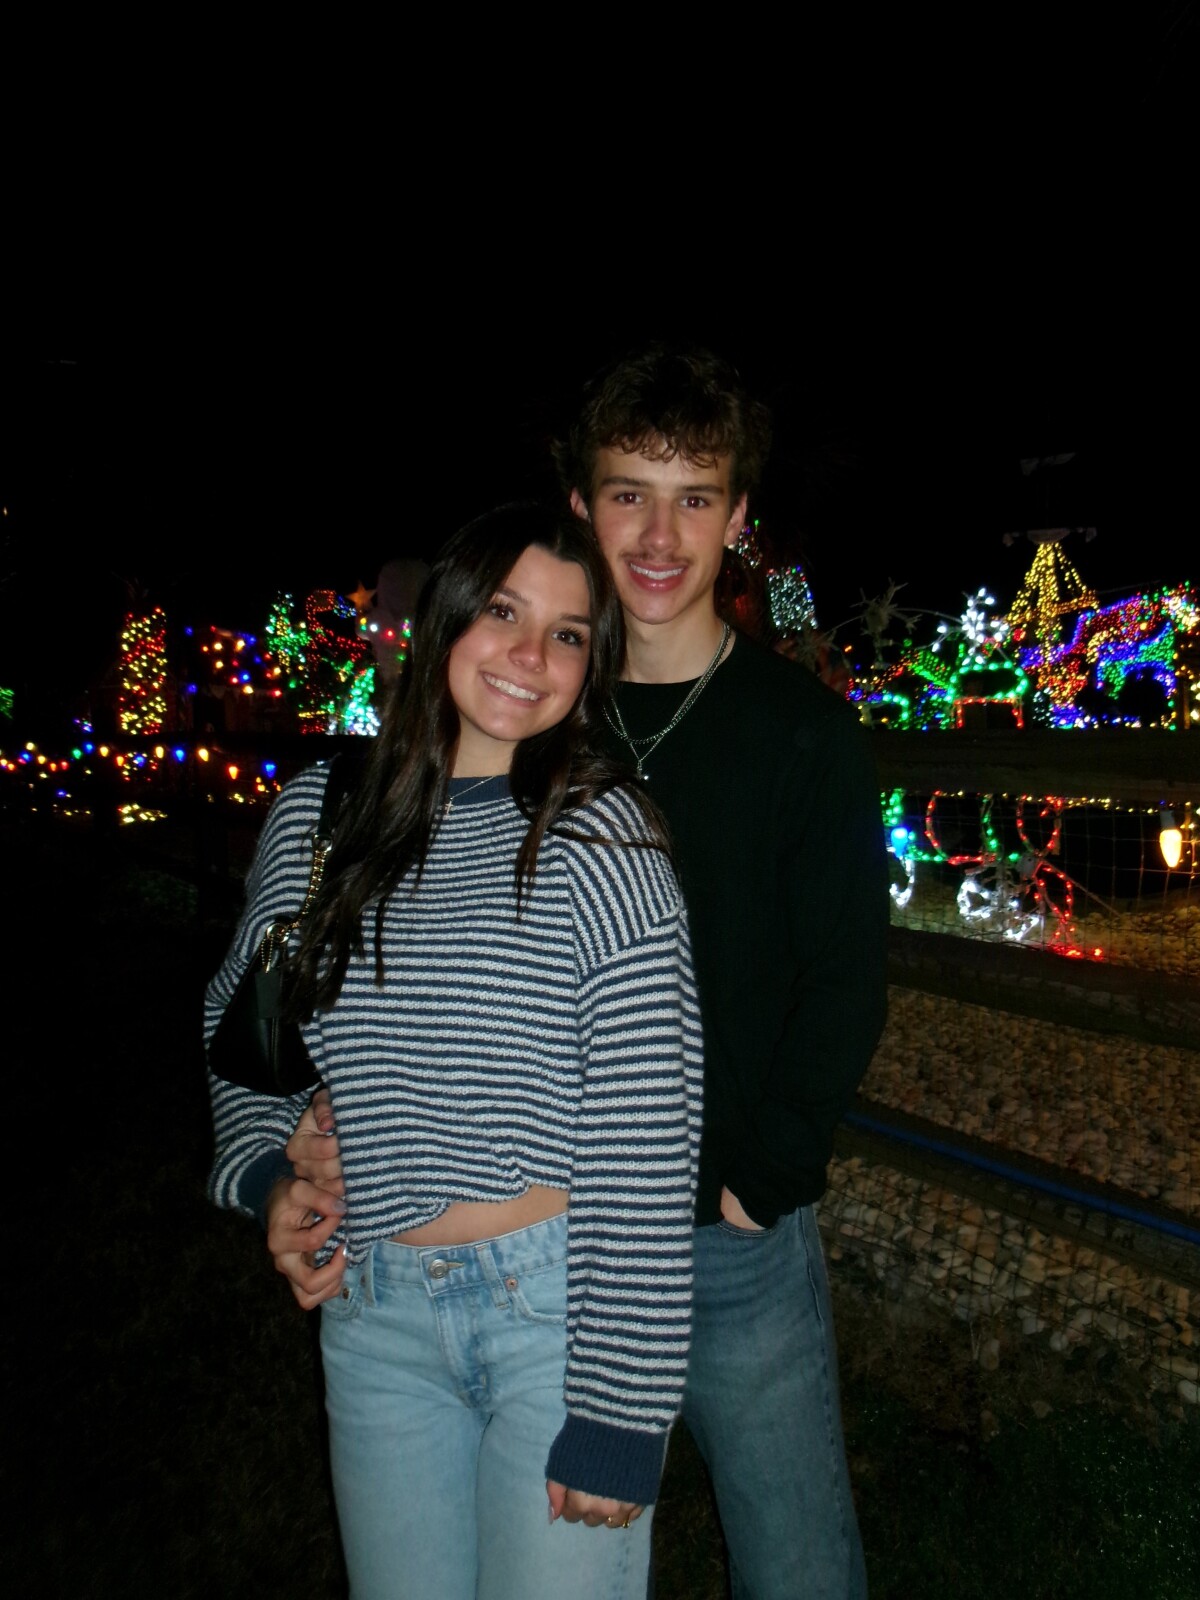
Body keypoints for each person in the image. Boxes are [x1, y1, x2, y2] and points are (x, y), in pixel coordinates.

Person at [289, 345, 890, 1598]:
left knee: (792, 1555)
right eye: (629, 494)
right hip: (548, 1243)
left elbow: (845, 981)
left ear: (738, 515)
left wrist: (759, 1179)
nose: (660, 535)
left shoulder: (801, 735)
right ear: (580, 503)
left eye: (695, 497)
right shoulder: (528, 703)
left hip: (725, 1232)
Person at [205, 503, 704, 1600]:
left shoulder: (604, 835)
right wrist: (269, 1173)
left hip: (557, 1322)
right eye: (503, 613)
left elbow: (647, 1132)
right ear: (445, 618)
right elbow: (243, 1033)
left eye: (568, 634)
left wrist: (621, 1409)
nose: (531, 655)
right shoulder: (322, 815)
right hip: (372, 1319)